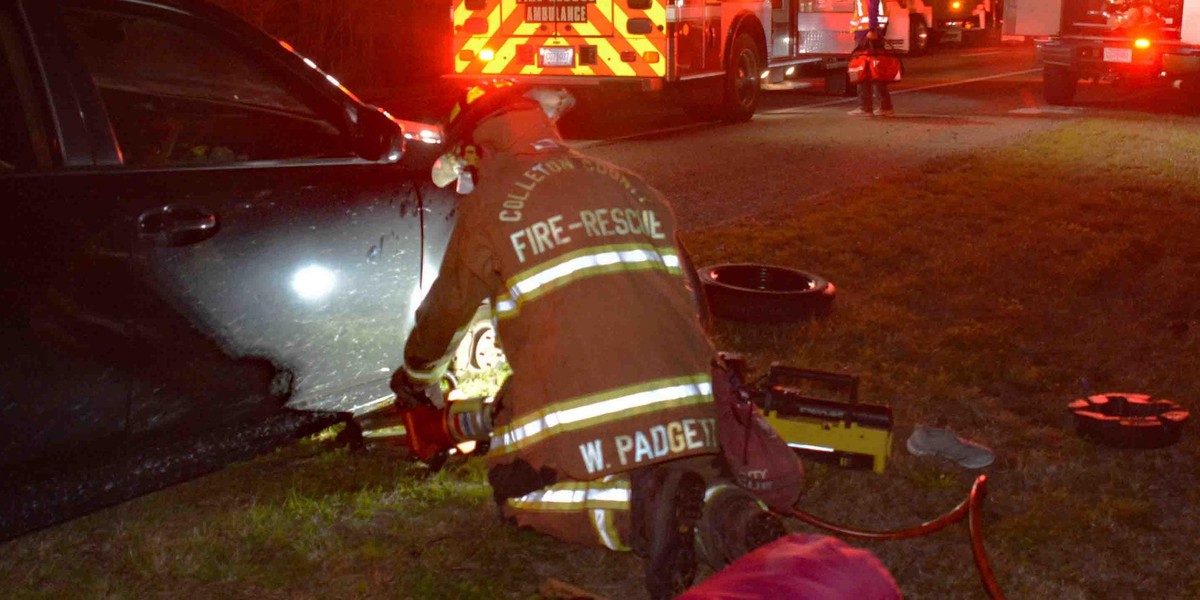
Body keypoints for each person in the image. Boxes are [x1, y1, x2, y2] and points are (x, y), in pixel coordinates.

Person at [391, 81, 784, 599]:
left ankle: (635, 512)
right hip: (693, 413)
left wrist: (416, 374)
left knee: (520, 494)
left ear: (474, 147)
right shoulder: (635, 185)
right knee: (687, 484)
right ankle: (727, 514)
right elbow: (689, 302)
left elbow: (446, 312)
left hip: (592, 416)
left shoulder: (490, 206)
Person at [849, 0, 894, 117]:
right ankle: (884, 106)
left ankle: (866, 107)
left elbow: (872, 8)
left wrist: (872, 29)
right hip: (869, 33)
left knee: (863, 69)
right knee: (875, 69)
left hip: (866, 34)